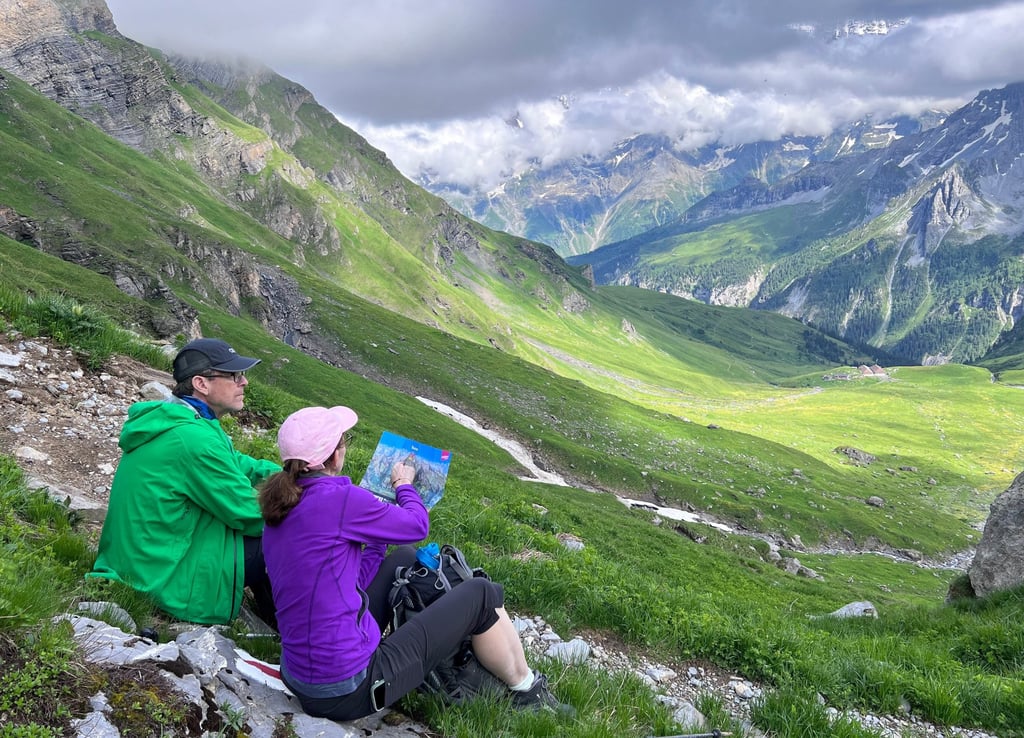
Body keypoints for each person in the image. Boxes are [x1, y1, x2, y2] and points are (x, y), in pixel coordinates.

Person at [258, 405, 571, 721]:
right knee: (482, 594)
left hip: (302, 675)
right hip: (349, 688)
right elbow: (417, 525)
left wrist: (377, 533)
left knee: (405, 557)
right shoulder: (340, 500)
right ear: (335, 455)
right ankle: (528, 691)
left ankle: (451, 653)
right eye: (344, 440)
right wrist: (403, 485)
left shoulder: (282, 506)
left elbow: (351, 583)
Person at [88, 338, 281, 627]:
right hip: (162, 577)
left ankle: (273, 623)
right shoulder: (193, 439)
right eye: (234, 375)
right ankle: (299, 638)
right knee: (288, 533)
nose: (244, 382)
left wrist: (292, 475)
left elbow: (236, 463)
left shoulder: (183, 420)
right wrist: (309, 503)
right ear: (202, 384)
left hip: (141, 563)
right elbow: (249, 514)